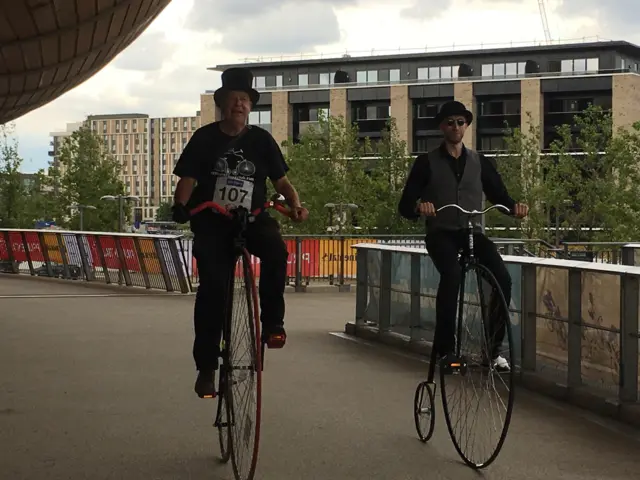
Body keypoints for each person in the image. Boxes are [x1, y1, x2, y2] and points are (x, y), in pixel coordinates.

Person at [171, 67, 309, 397]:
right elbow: (187, 180)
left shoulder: (261, 140)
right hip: (213, 219)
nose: (240, 105)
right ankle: (206, 366)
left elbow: (281, 182)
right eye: (234, 99)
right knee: (213, 289)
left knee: (276, 251)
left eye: (245, 100)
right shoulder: (204, 138)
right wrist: (180, 206)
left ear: (250, 106)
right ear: (222, 103)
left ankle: (273, 324)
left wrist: (296, 205)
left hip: (253, 216)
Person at [397, 100, 528, 372]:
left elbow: (500, 197)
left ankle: (492, 350)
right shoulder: (426, 162)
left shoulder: (480, 162)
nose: (455, 127)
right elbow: (404, 205)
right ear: (441, 127)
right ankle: (446, 351)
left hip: (472, 232)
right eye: (450, 122)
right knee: (452, 275)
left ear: (466, 125)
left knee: (502, 279)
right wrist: (420, 207)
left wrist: (515, 209)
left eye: (460, 122)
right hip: (441, 233)